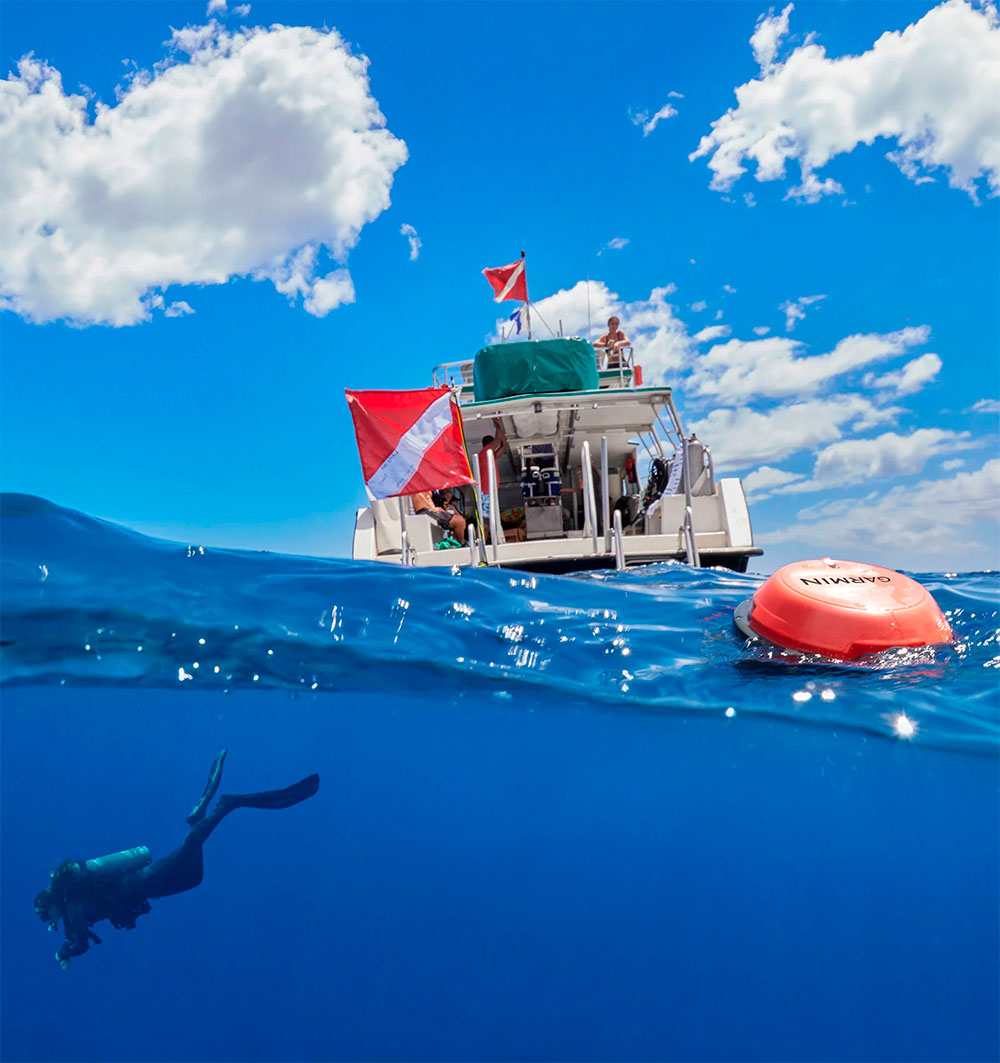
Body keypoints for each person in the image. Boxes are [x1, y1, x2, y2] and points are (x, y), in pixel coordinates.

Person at [34, 750, 319, 968]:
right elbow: (79, 935)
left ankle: (227, 805)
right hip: (146, 888)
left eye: (47, 916)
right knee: (194, 876)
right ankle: (200, 815)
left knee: (188, 850)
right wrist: (67, 945)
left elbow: (81, 942)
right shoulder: (73, 908)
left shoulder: (74, 910)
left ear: (52, 906)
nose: (50, 921)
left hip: (141, 882)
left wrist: (63, 953)